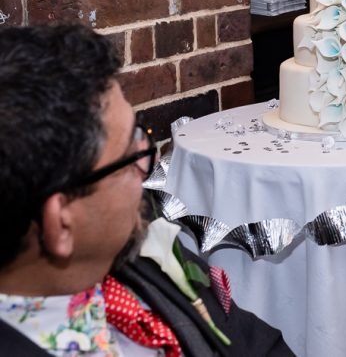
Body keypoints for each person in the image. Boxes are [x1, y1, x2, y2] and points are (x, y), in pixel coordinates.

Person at [0, 24, 294, 356]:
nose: (148, 166)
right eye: (129, 157)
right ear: (61, 224)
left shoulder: (132, 246)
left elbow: (254, 343)